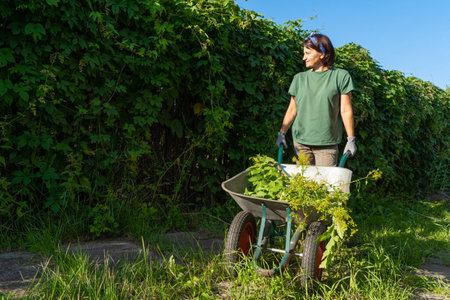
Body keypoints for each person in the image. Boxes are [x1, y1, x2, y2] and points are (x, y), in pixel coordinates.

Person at [276, 33, 357, 166]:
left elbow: (345, 110)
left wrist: (351, 139)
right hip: (300, 143)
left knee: (323, 185)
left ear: (322, 53)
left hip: (327, 144)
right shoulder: (299, 78)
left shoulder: (340, 76)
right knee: (302, 184)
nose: (304, 58)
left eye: (307, 53)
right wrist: (282, 133)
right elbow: (292, 109)